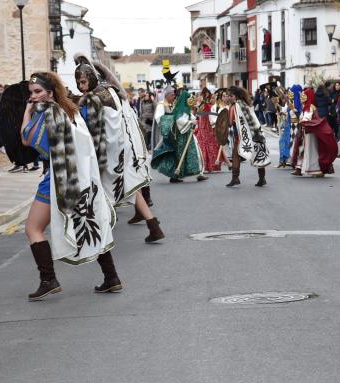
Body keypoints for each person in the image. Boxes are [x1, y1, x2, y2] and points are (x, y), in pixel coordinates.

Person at [21, 71, 120, 300]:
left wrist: (27, 111)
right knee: (93, 221)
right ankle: (111, 276)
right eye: (31, 94)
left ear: (51, 92)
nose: (34, 97)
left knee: (33, 229)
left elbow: (26, 138)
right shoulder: (71, 110)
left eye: (37, 92)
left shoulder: (49, 114)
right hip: (82, 178)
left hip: (57, 181)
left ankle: (48, 280)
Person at [74, 57, 164, 243]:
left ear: (91, 77)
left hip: (106, 156)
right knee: (131, 189)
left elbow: (94, 133)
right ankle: (153, 226)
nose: (81, 87)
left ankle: (96, 237)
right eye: (78, 83)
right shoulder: (111, 91)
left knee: (99, 195)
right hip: (122, 151)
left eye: (83, 81)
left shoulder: (93, 99)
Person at [152, 88, 208, 183]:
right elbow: (170, 119)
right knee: (178, 154)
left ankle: (199, 173)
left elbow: (187, 116)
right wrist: (189, 122)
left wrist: (193, 118)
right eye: (172, 95)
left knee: (193, 152)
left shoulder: (179, 106)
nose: (174, 97)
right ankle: (177, 175)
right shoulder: (162, 105)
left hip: (183, 132)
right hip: (175, 134)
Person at [225, 85, 271, 187]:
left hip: (244, 135)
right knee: (258, 155)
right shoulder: (244, 104)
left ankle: (235, 178)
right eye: (228, 96)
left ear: (236, 96)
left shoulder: (236, 106)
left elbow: (230, 122)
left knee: (236, 155)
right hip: (254, 134)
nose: (228, 98)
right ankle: (262, 178)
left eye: (230, 96)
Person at [195, 87, 221, 173]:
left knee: (206, 146)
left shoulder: (203, 105)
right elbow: (205, 117)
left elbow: (199, 115)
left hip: (204, 129)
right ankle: (207, 166)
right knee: (208, 146)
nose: (214, 99)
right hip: (206, 129)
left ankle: (206, 166)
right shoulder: (206, 106)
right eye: (212, 98)